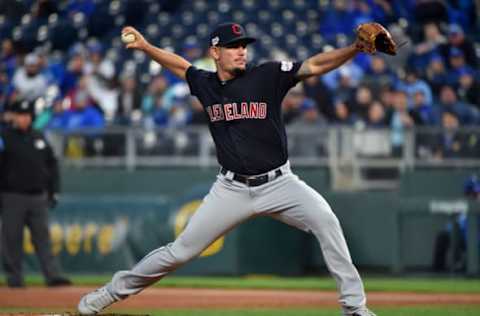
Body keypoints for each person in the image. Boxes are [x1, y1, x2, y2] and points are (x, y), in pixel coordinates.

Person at [78, 23, 376, 316]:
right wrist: (145, 47)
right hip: (231, 188)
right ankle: (110, 293)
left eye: (244, 45)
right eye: (233, 46)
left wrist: (354, 49)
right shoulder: (206, 84)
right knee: (180, 251)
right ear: (215, 52)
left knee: (327, 222)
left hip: (280, 183)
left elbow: (313, 65)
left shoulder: (267, 75)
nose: (241, 51)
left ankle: (354, 308)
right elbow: (180, 66)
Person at [0, 99, 71, 288]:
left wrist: (54, 190)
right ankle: (15, 278)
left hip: (38, 196)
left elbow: (52, 164)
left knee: (43, 239)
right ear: (13, 116)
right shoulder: (4, 137)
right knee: (11, 239)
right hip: (12, 196)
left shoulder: (39, 136)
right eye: (21, 115)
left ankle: (52, 276)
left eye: (27, 115)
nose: (24, 119)